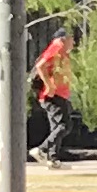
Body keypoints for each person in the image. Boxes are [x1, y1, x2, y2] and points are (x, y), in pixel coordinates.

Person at [29, 23, 79, 164]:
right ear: (63, 39)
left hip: (58, 95)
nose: (73, 42)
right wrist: (49, 85)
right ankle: (42, 150)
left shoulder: (62, 53)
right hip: (53, 95)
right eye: (71, 39)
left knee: (56, 127)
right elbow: (40, 66)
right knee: (65, 125)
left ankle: (53, 158)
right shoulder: (57, 47)